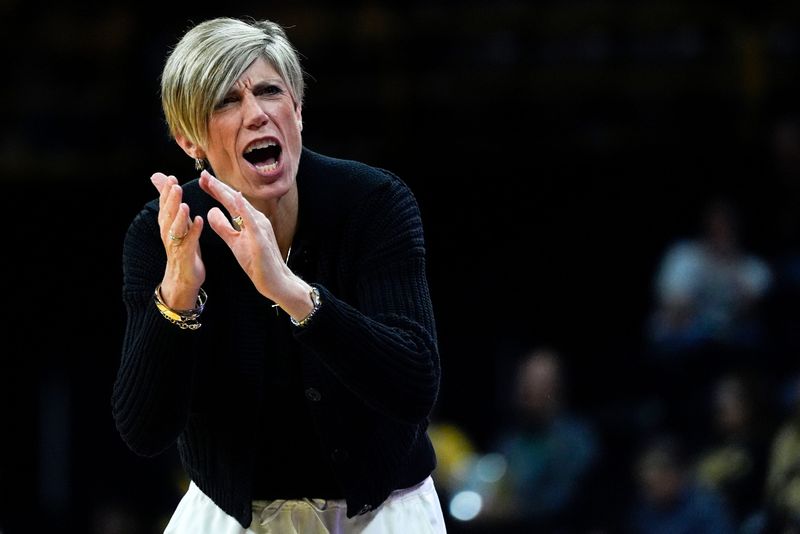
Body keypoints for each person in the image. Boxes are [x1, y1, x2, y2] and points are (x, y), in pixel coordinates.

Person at [111, 16, 445, 534]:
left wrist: (291, 293)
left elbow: (415, 385)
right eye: (226, 101)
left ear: (298, 110)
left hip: (382, 510)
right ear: (188, 140)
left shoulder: (374, 203)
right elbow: (143, 432)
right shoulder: (166, 232)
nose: (257, 114)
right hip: (231, 513)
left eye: (270, 92)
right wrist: (177, 299)